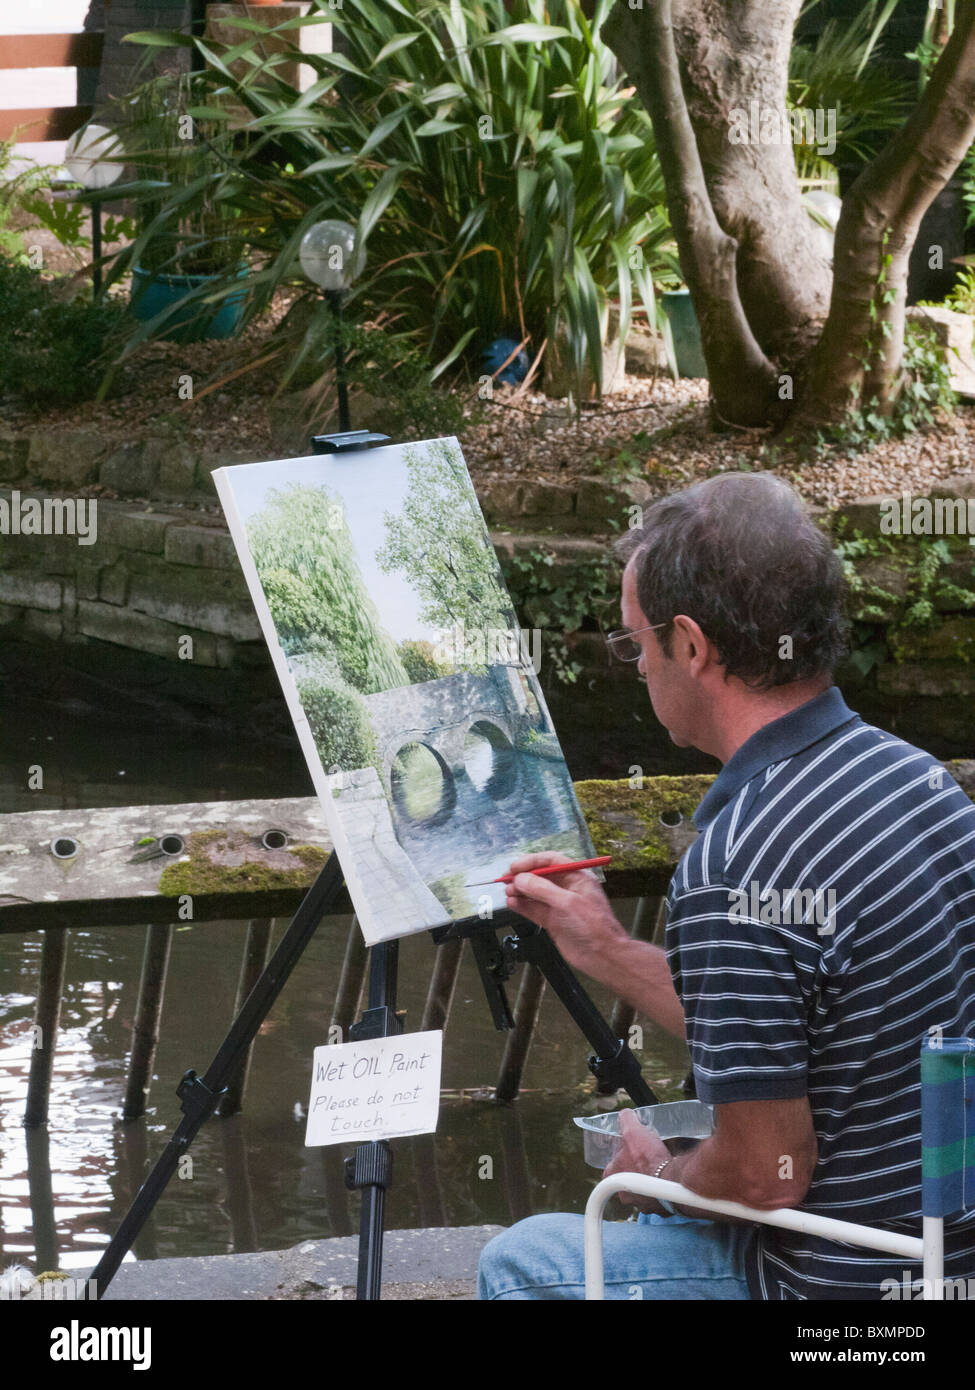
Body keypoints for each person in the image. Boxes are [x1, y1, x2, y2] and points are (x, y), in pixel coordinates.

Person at [477, 472, 975, 1300]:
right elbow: (809, 1021)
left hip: (843, 1282)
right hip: (947, 1252)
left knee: (525, 1262)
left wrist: (663, 1176)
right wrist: (602, 947)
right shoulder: (915, 782)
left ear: (692, 645)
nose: (636, 666)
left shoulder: (737, 860)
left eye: (636, 643)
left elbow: (763, 1179)